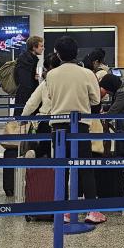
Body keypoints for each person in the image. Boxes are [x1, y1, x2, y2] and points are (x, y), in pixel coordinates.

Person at [40, 37, 106, 222]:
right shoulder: (87, 73)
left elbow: (50, 97)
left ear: (58, 54)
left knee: (62, 168)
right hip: (80, 125)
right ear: (76, 52)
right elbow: (96, 100)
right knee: (85, 167)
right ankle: (92, 211)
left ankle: (64, 211)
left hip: (58, 126)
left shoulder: (51, 75)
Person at [14, 36, 44, 118]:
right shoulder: (26, 60)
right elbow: (25, 83)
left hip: (27, 97)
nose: (43, 48)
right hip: (25, 99)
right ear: (34, 47)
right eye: (41, 46)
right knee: (23, 123)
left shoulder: (30, 59)